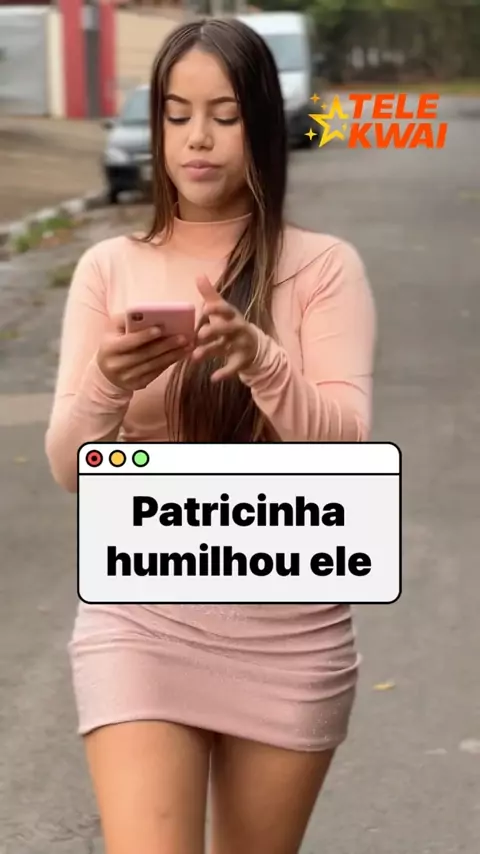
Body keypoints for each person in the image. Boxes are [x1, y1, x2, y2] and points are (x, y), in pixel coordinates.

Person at [45, 17, 376, 854]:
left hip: (290, 628)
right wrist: (108, 382)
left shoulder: (323, 266)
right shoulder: (109, 266)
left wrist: (262, 361)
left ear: (261, 124)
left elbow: (347, 452)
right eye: (177, 114)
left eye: (224, 116)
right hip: (141, 619)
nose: (197, 138)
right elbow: (70, 467)